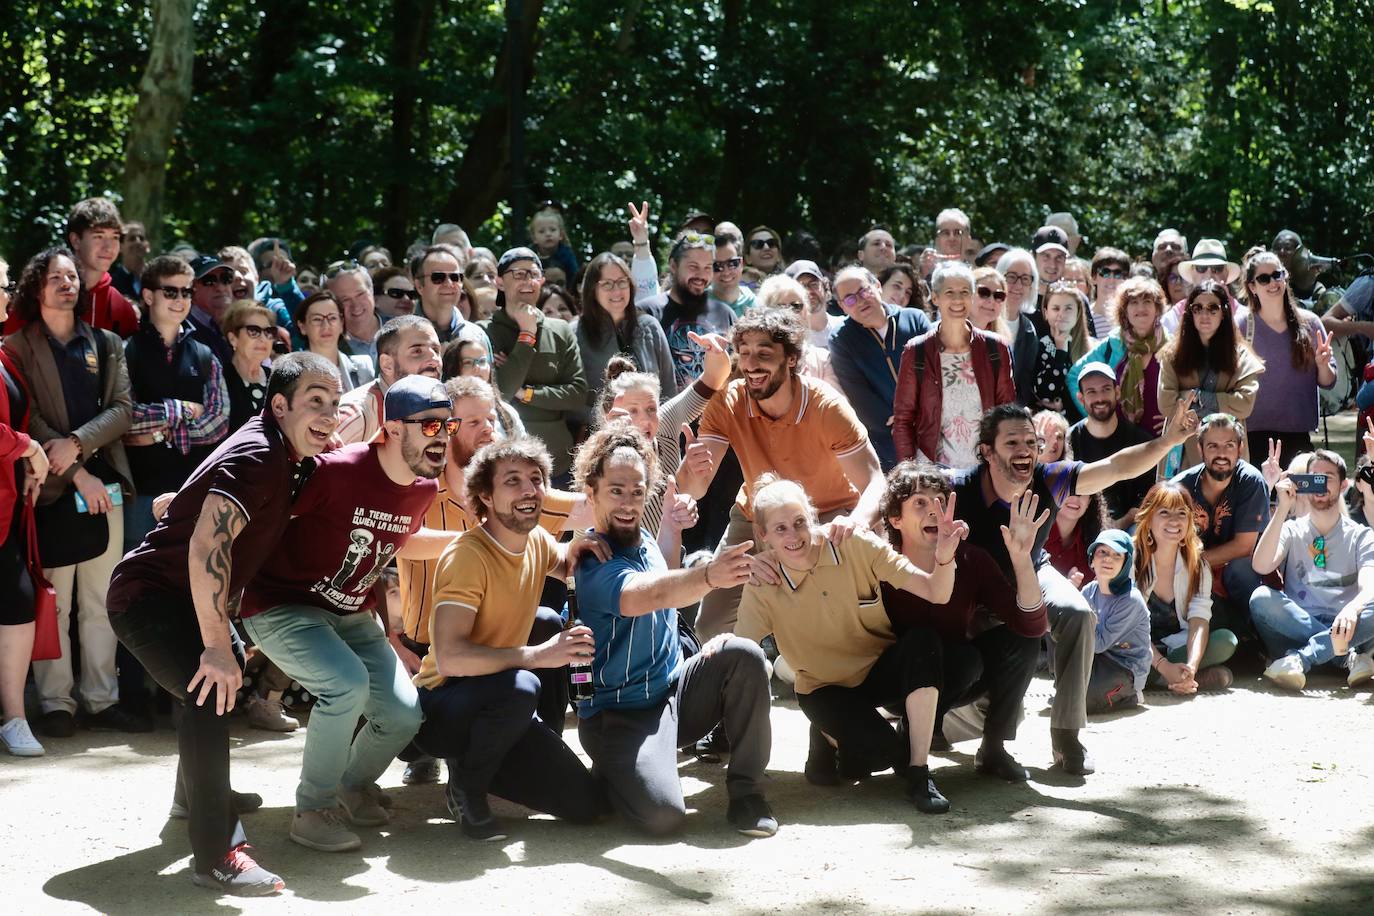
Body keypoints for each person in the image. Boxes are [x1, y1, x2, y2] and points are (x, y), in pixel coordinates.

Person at [106, 352, 343, 895]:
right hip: (148, 599)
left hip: (173, 594)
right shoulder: (262, 455)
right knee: (213, 685)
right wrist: (214, 644)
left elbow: (196, 500)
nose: (329, 415)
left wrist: (179, 502)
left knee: (220, 676)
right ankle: (216, 855)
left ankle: (195, 796)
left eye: (333, 403)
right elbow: (207, 544)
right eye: (315, 403)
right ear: (279, 404)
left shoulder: (278, 446)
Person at [238, 376, 457, 853]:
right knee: (346, 687)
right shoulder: (334, 470)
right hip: (281, 604)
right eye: (431, 424)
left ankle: (351, 785)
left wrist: (469, 541)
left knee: (403, 715)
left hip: (352, 613)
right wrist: (187, 508)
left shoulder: (424, 487)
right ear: (393, 429)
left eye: (450, 424)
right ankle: (311, 809)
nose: (443, 435)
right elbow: (261, 509)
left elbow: (400, 539)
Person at [950, 399, 1200, 774]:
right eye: (1012, 443)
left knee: (1079, 614)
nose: (1025, 452)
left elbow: (1116, 467)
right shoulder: (959, 488)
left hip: (1033, 572)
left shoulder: (1050, 477)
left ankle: (1066, 735)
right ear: (987, 450)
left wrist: (1167, 442)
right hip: (976, 590)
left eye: (1031, 443)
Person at [573, 423, 778, 837]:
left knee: (744, 655)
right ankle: (615, 772)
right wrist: (708, 576)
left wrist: (671, 528)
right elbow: (642, 595)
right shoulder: (593, 560)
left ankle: (747, 793)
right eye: (616, 490)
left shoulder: (643, 538)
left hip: (673, 693)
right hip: (618, 717)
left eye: (636, 490)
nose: (628, 502)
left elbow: (661, 573)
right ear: (591, 492)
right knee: (662, 817)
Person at [412, 434, 607, 839]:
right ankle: (466, 787)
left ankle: (498, 756)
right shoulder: (466, 556)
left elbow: (567, 564)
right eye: (512, 481)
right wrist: (536, 655)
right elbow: (450, 658)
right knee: (523, 683)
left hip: (503, 706)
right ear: (485, 495)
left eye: (536, 479)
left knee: (587, 805)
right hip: (443, 706)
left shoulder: (535, 541)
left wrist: (585, 547)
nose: (529, 490)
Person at [737, 474, 966, 812]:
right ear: (763, 535)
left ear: (813, 518)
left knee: (923, 641)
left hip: (876, 671)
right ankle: (829, 736)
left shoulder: (853, 543)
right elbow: (740, 645)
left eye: (800, 522)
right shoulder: (762, 579)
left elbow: (936, 591)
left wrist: (944, 558)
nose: (793, 535)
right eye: (780, 528)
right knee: (874, 759)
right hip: (823, 688)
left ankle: (919, 772)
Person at [680, 308, 887, 640]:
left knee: (826, 625)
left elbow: (876, 481)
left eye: (764, 353)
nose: (751, 363)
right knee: (712, 627)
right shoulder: (728, 401)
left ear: (791, 359)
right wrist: (690, 469)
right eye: (744, 353)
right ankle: (753, 679)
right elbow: (695, 489)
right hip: (754, 518)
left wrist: (857, 523)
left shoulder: (827, 406)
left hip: (826, 516)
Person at [4, 247, 143, 738]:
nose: (67, 283)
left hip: (105, 484)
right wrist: (67, 464)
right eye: (55, 277)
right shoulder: (16, 346)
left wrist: (78, 447)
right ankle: (57, 702)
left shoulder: (106, 343)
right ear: (35, 286)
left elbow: (124, 409)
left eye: (71, 276)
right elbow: (26, 414)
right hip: (48, 490)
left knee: (103, 598)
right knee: (55, 601)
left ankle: (102, 700)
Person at [880, 464, 1046, 783]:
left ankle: (994, 748)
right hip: (891, 684)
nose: (934, 511)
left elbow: (1030, 627)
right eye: (920, 503)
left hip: (955, 674)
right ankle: (907, 737)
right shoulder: (878, 563)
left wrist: (1022, 559)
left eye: (941, 501)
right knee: (923, 642)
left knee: (1010, 645)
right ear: (894, 518)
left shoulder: (971, 559)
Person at [122, 255, 231, 555]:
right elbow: (126, 418)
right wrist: (181, 410)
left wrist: (158, 430)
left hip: (191, 491)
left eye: (187, 292)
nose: (180, 299)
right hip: (139, 495)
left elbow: (218, 421)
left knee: (186, 585)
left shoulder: (205, 354)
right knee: (133, 586)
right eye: (171, 291)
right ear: (148, 295)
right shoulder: (126, 350)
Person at [1251, 450, 1374, 690]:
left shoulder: (1361, 535)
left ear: (1344, 485)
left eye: (1328, 477)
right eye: (1314, 477)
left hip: (1347, 624)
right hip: (1296, 626)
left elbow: (1370, 584)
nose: (1320, 484)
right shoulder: (1291, 529)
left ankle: (1301, 658)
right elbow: (1261, 565)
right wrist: (1282, 509)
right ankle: (1345, 658)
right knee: (1261, 599)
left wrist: (1352, 608)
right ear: (1303, 483)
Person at [596, 333, 731, 536]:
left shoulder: (665, 422)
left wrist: (716, 352)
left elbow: (714, 378)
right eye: (633, 411)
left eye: (651, 409)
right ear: (609, 415)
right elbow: (583, 531)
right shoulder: (594, 455)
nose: (645, 419)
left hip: (667, 554)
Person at [0, 257, 53, 757]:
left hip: (9, 508)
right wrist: (28, 448)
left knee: (17, 605)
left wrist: (28, 463)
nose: (7, 293)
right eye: (2, 285)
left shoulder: (5, 355)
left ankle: (14, 717)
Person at [892, 261, 1015, 466]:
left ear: (973, 296)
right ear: (935, 298)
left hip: (985, 468)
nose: (958, 299)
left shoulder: (996, 348)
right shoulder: (916, 351)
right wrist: (910, 471)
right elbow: (903, 419)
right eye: (949, 292)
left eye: (965, 292)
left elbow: (1008, 413)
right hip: (932, 471)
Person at [482, 247, 587, 483]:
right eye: (518, 275)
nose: (527, 281)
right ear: (499, 282)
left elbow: (577, 395)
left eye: (533, 274)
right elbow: (500, 393)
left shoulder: (560, 330)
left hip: (557, 459)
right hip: (502, 459)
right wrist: (527, 334)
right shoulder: (484, 332)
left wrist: (526, 392)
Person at [1132, 482, 1237, 695]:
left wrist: (1192, 665)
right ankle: (1166, 678)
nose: (1174, 520)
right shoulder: (1130, 558)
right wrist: (1163, 666)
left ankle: (1180, 677)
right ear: (1148, 517)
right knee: (1121, 654)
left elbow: (1199, 620)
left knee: (1226, 641)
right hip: (1135, 644)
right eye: (1164, 512)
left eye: (1181, 513)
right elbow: (1129, 625)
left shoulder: (1197, 564)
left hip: (1176, 646)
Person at [1237, 250, 1337, 468]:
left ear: (1285, 277)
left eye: (1277, 274)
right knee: (1260, 501)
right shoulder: (1241, 326)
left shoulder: (1310, 324)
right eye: (1263, 278)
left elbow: (1329, 382)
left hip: (1298, 437)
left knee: (1299, 501)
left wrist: (1322, 365)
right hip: (1251, 436)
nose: (1272, 282)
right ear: (1252, 287)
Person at [828, 265, 932, 470]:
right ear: (842, 307)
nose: (859, 301)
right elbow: (857, 393)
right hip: (886, 438)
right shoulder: (841, 339)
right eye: (850, 299)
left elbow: (933, 368)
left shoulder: (914, 319)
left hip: (931, 425)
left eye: (863, 291)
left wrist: (925, 411)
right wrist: (899, 420)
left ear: (877, 285)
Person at [1170, 413, 1271, 624]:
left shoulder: (1251, 481)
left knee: (1241, 568)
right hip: (1188, 565)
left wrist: (1192, 563)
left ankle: (1254, 635)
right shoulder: (1180, 486)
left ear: (1240, 448)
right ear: (1200, 449)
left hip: (1227, 566)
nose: (1222, 454)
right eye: (1213, 446)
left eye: (1229, 445)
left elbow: (1244, 547)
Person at [1158, 280, 1264, 469]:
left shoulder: (1241, 356)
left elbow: (1245, 404)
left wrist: (1195, 398)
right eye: (1197, 308)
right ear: (1190, 313)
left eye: (1212, 308)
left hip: (1228, 453)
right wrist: (1221, 402)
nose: (1204, 315)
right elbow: (1166, 404)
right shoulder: (1172, 355)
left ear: (1223, 312)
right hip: (1182, 453)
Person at [4, 198, 139, 338]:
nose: (108, 247)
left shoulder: (121, 309)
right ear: (76, 240)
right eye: (99, 236)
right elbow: (8, 351)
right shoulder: (39, 294)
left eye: (115, 237)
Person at [576, 251, 675, 416]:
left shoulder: (650, 326)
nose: (616, 290)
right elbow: (572, 399)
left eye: (622, 282)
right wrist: (607, 420)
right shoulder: (575, 333)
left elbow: (669, 388)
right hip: (597, 434)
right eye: (607, 284)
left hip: (651, 432)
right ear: (592, 289)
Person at [1069, 277, 1170, 437]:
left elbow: (1188, 387)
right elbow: (1075, 376)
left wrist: (1174, 416)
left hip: (1161, 442)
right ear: (1124, 310)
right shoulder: (1113, 343)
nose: (1141, 308)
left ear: (1157, 308)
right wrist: (1095, 416)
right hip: (1117, 441)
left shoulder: (1170, 345)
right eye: (1134, 303)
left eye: (1147, 302)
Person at [637, 232, 736, 392]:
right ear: (674, 265)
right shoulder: (647, 312)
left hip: (715, 413)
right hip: (665, 413)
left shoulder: (725, 314)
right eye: (693, 266)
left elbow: (736, 371)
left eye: (708, 268)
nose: (701, 275)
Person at [1068, 362, 1155, 529]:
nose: (1099, 398)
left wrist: (1122, 523)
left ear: (1117, 392)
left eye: (1106, 389)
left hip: (1129, 528)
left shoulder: (1140, 441)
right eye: (1091, 392)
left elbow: (1148, 497)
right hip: (1080, 526)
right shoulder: (1068, 442)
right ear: (1081, 398)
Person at [333, 315, 442, 445]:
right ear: (387, 365)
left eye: (436, 350)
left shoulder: (442, 411)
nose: (434, 359)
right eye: (417, 351)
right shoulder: (356, 415)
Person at [1080, 531, 1151, 714]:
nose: (1108, 560)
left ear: (1125, 563)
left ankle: (1131, 695)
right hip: (1096, 660)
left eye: (1117, 555)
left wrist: (1078, 617)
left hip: (1123, 666)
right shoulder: (1089, 590)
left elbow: (1098, 644)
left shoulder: (1130, 600)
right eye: (1102, 552)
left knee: (1084, 702)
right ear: (1092, 559)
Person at [755, 275, 839, 390]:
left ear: (805, 311)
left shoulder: (822, 360)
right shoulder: (752, 359)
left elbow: (835, 404)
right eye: (781, 308)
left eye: (796, 306)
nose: (790, 314)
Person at [1033, 281, 1093, 421]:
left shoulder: (1090, 347)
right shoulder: (1041, 345)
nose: (1061, 314)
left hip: (1084, 423)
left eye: (1068, 308)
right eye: (1056, 308)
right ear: (1046, 313)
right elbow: (1045, 393)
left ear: (1078, 312)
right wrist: (1060, 351)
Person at [294, 291, 375, 392]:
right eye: (317, 319)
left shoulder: (362, 368)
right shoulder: (292, 373)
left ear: (342, 323)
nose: (326, 326)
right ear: (302, 327)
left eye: (332, 318)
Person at [994, 248, 1042, 408]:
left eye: (1025, 279)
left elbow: (1024, 385)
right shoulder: (984, 319)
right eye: (1012, 277)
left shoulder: (1028, 330)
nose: (1018, 285)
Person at [220, 301, 276, 432]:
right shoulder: (218, 379)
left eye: (269, 331)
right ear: (233, 338)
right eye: (254, 331)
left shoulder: (278, 380)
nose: (263, 338)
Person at [413, 245, 487, 344]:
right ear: (419, 286)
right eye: (438, 277)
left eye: (455, 277)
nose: (448, 283)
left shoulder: (477, 336)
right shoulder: (399, 336)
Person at [187, 255, 241, 368]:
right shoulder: (185, 331)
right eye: (209, 281)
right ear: (191, 289)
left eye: (226, 279)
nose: (220, 288)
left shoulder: (241, 325)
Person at [326, 262, 384, 364]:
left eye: (360, 294)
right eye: (345, 300)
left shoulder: (401, 329)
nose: (355, 305)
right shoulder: (330, 349)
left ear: (372, 291)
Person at [785, 260, 841, 350]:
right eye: (801, 287)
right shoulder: (789, 339)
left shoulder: (844, 327)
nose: (809, 291)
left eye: (813, 284)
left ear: (825, 287)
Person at [708, 236, 758, 317]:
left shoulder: (755, 304)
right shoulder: (698, 305)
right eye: (717, 266)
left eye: (732, 263)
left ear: (741, 264)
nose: (726, 272)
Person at [1087, 247, 1129, 338]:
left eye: (1118, 274)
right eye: (1105, 272)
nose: (1111, 279)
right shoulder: (1083, 317)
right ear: (1093, 278)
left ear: (1125, 279)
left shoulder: (1131, 317)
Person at [110, 219, 150, 301]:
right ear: (120, 247)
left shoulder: (156, 279)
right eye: (132, 239)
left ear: (148, 246)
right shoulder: (112, 283)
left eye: (141, 238)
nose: (138, 242)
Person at [970, 266, 1011, 338]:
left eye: (999, 295)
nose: (991, 301)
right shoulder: (947, 335)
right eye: (984, 292)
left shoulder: (1001, 342)